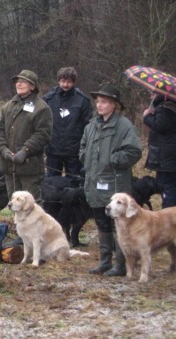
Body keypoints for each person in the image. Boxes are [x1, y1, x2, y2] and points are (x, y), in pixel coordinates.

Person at [80, 84, 142, 276]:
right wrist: (85, 158)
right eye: (98, 101)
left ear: (114, 104)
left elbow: (134, 151)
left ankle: (122, 265)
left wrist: (114, 160)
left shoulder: (124, 126)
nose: (99, 105)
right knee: (101, 223)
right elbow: (83, 146)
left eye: (104, 102)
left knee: (120, 226)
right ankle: (105, 261)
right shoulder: (91, 126)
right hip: (94, 182)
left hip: (114, 184)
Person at [0, 70, 52, 202]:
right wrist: (3, 150)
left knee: (32, 206)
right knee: (14, 205)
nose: (19, 84)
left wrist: (25, 151)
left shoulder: (42, 108)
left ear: (33, 86)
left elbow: (43, 134)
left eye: (23, 81)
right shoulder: (7, 107)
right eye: (17, 81)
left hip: (30, 168)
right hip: (8, 166)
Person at [43, 67, 93, 177]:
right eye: (63, 81)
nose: (65, 85)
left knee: (74, 183)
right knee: (51, 183)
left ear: (74, 82)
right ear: (58, 81)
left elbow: (88, 126)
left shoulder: (83, 100)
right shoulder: (48, 99)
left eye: (69, 82)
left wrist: (84, 148)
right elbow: (42, 123)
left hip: (74, 152)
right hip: (53, 150)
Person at [143, 93, 176, 208]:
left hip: (166, 159)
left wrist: (147, 116)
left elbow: (161, 126)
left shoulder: (165, 107)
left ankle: (169, 217)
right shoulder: (169, 107)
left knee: (166, 187)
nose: (151, 96)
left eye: (154, 94)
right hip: (168, 156)